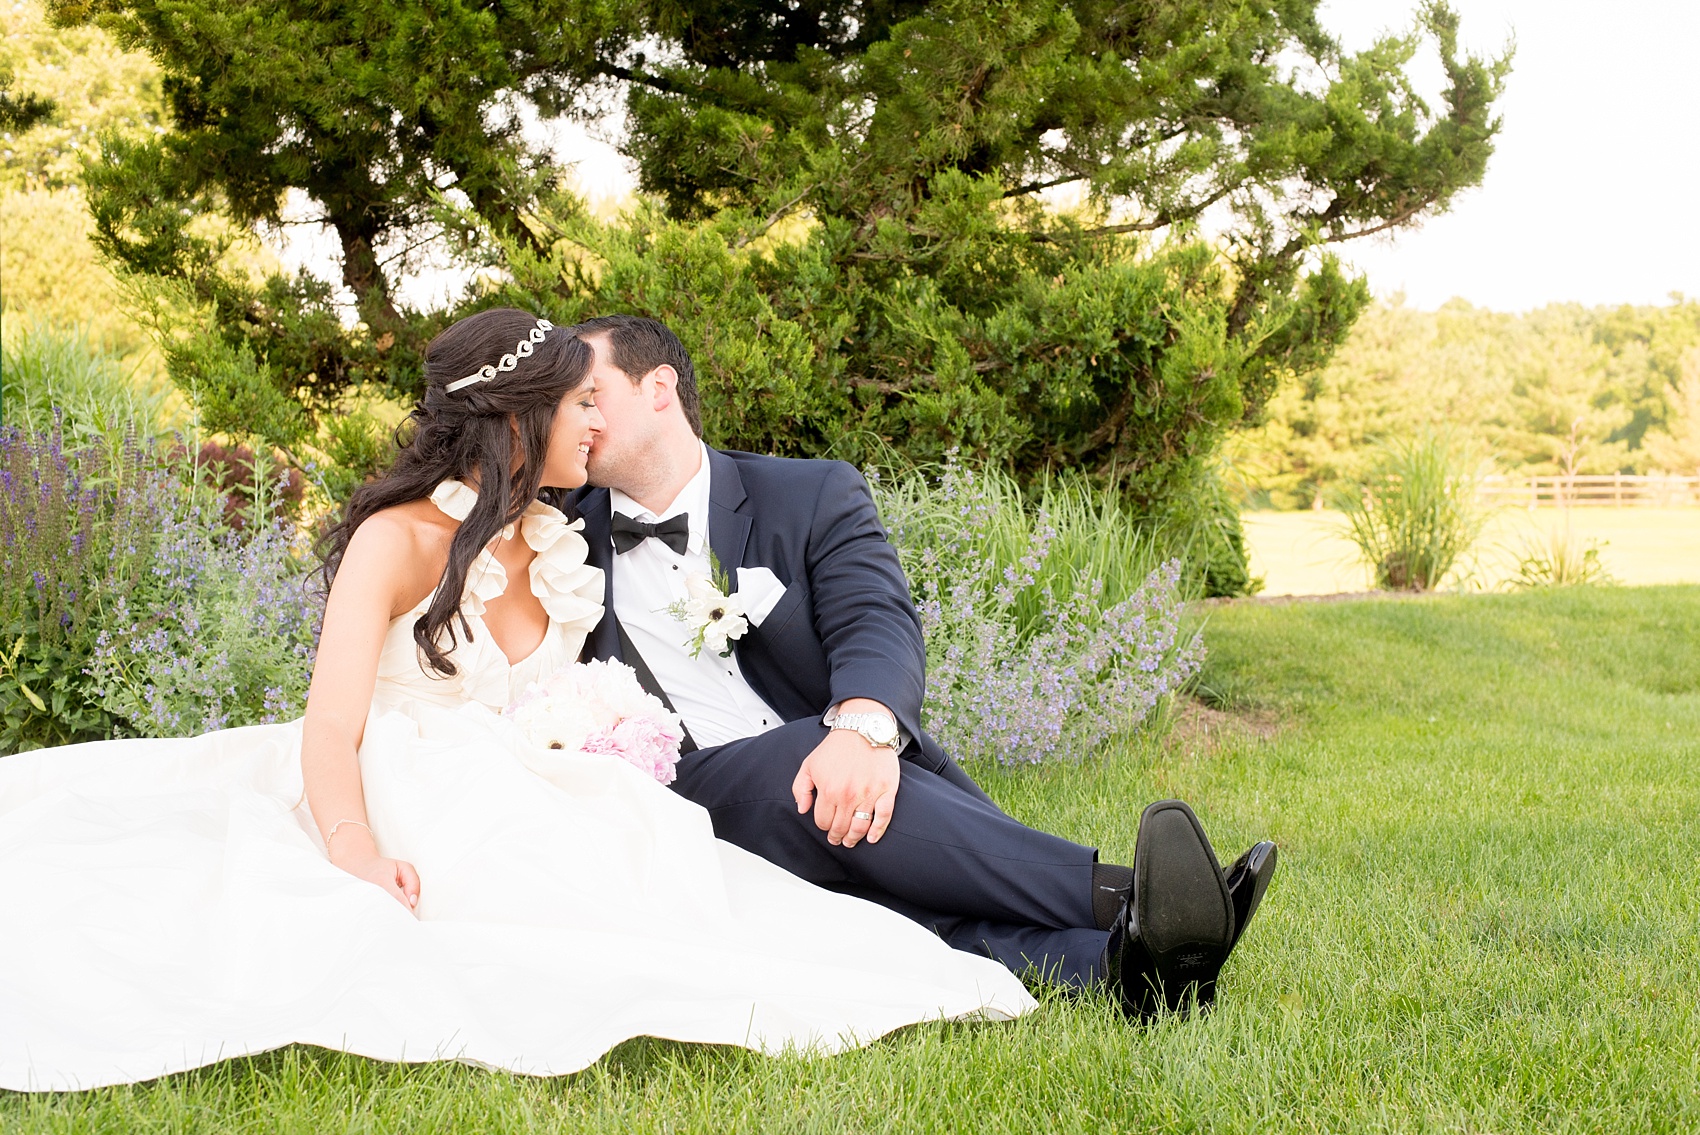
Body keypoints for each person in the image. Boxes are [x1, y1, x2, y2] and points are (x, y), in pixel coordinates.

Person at [0, 308, 1037, 1094]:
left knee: (762, 898)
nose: (594, 421)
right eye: (577, 403)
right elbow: (334, 724)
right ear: (518, 416)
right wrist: (354, 845)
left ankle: (1094, 929)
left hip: (544, 795)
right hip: (405, 792)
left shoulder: (560, 544)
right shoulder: (396, 539)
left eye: (599, 398)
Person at [567, 315, 1279, 1017]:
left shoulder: (809, 494)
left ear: (659, 386)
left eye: (591, 392)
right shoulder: (556, 532)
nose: (578, 415)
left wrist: (865, 728)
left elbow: (874, 618)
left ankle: (1128, 967)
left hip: (841, 780)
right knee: (804, 765)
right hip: (686, 805)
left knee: (895, 909)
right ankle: (1133, 895)